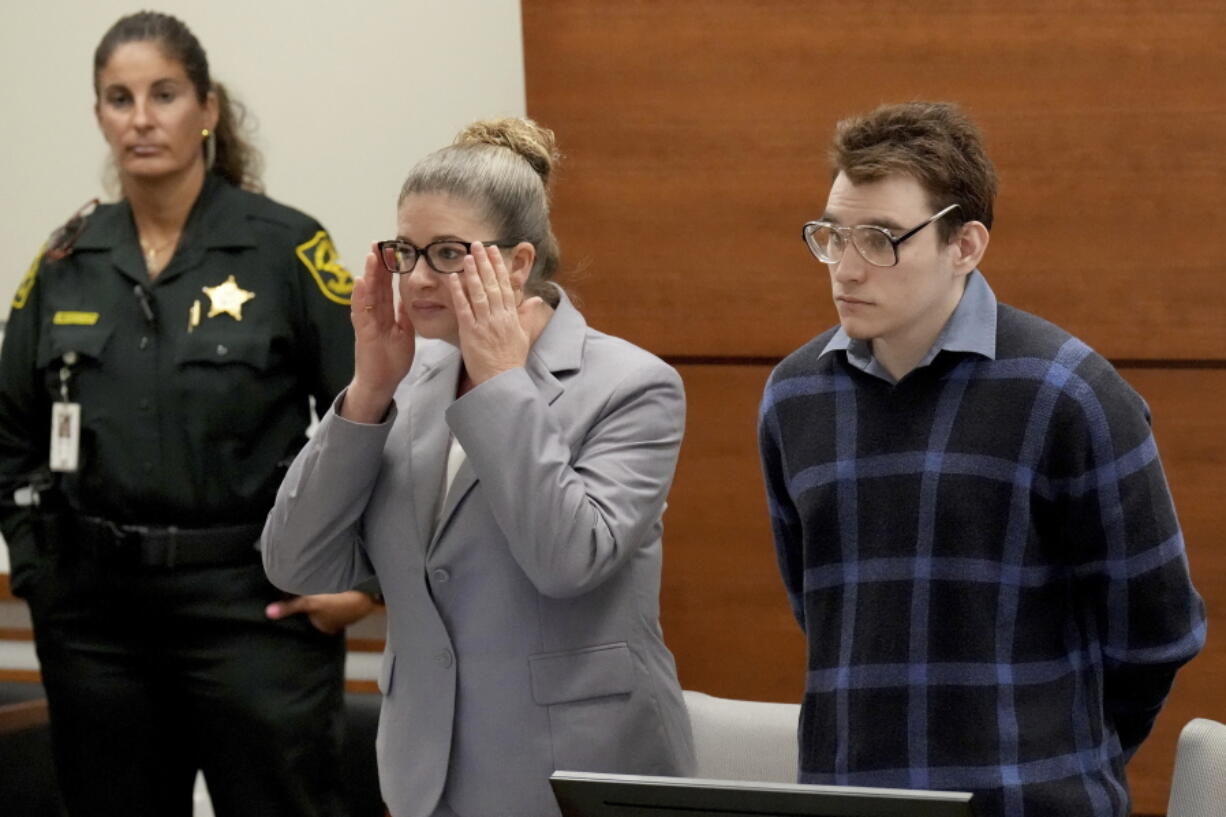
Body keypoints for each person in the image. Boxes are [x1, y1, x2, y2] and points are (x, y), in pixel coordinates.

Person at [757, 101, 1205, 816]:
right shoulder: (794, 396)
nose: (845, 266)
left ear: (965, 245)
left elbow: (1155, 630)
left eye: (877, 239)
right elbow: (824, 609)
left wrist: (1061, 750)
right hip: (850, 799)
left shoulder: (1070, 393)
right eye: (831, 235)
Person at [262, 116, 695, 817]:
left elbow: (567, 560)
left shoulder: (631, 385)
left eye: (447, 253)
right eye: (406, 251)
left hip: (577, 776)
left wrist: (499, 384)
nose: (418, 277)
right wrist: (369, 390)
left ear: (518, 264)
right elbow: (295, 562)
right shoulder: (405, 381)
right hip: (425, 776)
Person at [0, 12, 377, 817]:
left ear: (206, 108)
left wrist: (366, 578)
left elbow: (371, 417)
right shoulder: (65, 262)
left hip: (252, 606)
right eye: (118, 97)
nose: (140, 117)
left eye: (163, 94)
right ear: (99, 114)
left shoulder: (287, 249)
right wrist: (40, 573)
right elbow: (10, 430)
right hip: (96, 620)